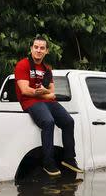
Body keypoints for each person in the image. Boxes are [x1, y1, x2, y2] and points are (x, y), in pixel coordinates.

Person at [15, 37, 83, 177]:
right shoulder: (23, 65)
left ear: (46, 51)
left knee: (68, 121)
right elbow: (25, 90)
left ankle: (69, 159)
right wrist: (44, 93)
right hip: (30, 102)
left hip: (46, 101)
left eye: (42, 48)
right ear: (31, 49)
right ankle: (48, 162)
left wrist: (44, 92)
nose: (38, 50)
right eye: (36, 47)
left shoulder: (47, 69)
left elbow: (52, 94)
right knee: (48, 121)